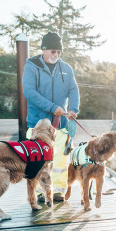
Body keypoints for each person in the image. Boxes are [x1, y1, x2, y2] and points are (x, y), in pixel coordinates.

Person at [23, 32, 80, 201]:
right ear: (44, 49)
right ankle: (41, 192)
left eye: (59, 52)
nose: (56, 55)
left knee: (61, 160)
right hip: (37, 125)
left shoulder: (66, 68)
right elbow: (30, 92)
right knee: (39, 159)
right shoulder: (31, 66)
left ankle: (58, 192)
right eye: (53, 51)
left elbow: (73, 90)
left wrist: (73, 109)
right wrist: (53, 107)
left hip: (60, 124)